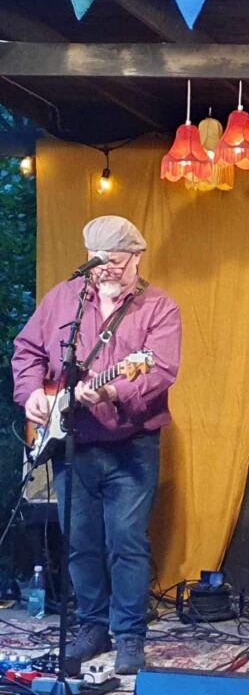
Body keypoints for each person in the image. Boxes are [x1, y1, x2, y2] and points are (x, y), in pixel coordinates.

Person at [12, 216, 182, 675]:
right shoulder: (62, 298)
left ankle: (129, 635)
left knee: (126, 541)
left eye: (115, 261)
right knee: (80, 542)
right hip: (74, 443)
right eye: (97, 260)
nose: (106, 268)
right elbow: (27, 350)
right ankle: (92, 627)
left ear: (137, 257)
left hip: (131, 445)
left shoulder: (159, 307)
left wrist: (112, 390)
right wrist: (32, 393)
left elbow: (161, 370)